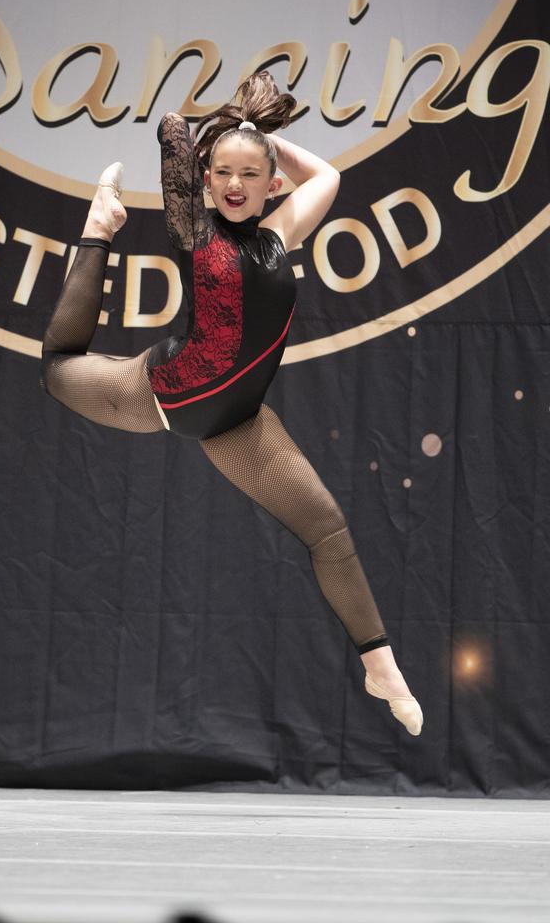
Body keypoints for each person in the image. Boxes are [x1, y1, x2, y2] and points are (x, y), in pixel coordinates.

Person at [41, 72, 423, 736]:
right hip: (162, 395)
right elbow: (170, 131)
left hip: (239, 426)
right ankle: (98, 228)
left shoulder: (280, 235)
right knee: (56, 369)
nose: (238, 184)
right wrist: (226, 134)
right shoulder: (193, 231)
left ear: (274, 182)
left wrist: (262, 140)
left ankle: (379, 665)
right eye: (224, 173)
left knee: (329, 530)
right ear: (207, 180)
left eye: (253, 174)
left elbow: (326, 176)